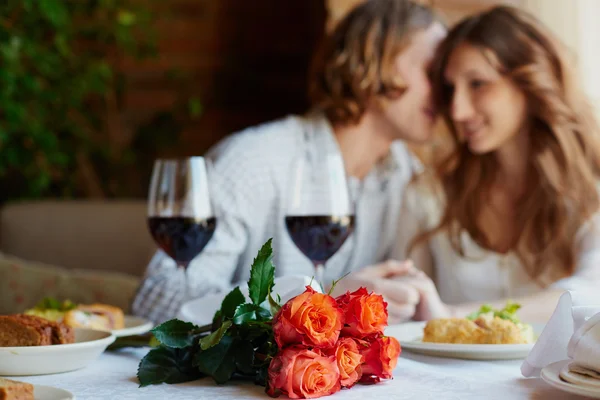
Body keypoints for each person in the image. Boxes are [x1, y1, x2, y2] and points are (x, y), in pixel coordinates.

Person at [132, 0, 447, 323]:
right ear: (376, 57)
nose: (447, 93)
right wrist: (320, 301)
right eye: (432, 72)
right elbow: (158, 297)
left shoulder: (405, 176)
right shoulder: (253, 161)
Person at [386, 5, 600, 323]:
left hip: (554, 375)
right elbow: (405, 308)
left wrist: (455, 316)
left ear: (529, 80)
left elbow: (590, 292)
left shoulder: (590, 187)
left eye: (477, 84)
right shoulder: (429, 194)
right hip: (448, 373)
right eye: (450, 89)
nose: (457, 110)